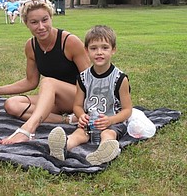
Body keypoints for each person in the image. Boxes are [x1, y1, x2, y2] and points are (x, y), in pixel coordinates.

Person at [0, 0, 90, 144]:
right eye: (34, 22)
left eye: (45, 20)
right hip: (54, 100)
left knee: (49, 82)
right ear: (26, 23)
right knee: (11, 104)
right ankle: (67, 120)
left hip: (78, 98)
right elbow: (31, 82)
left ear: (51, 18)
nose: (41, 27)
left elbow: (90, 80)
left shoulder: (69, 41)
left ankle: (27, 130)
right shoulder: (31, 46)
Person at [47, 25, 132, 165]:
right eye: (94, 48)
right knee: (79, 134)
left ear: (113, 50)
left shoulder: (120, 78)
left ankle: (105, 151)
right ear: (86, 51)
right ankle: (62, 148)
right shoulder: (82, 78)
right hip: (90, 122)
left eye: (105, 48)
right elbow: (77, 105)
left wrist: (110, 121)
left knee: (108, 133)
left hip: (113, 121)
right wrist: (81, 116)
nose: (99, 52)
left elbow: (127, 110)